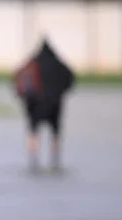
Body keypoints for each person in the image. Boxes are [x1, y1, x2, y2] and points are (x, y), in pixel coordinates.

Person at [13, 38, 75, 173]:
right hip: (55, 105)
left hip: (35, 105)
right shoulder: (60, 65)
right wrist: (59, 92)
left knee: (33, 132)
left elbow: (16, 77)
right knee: (55, 132)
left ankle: (33, 160)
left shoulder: (32, 63)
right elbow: (71, 81)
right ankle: (55, 160)